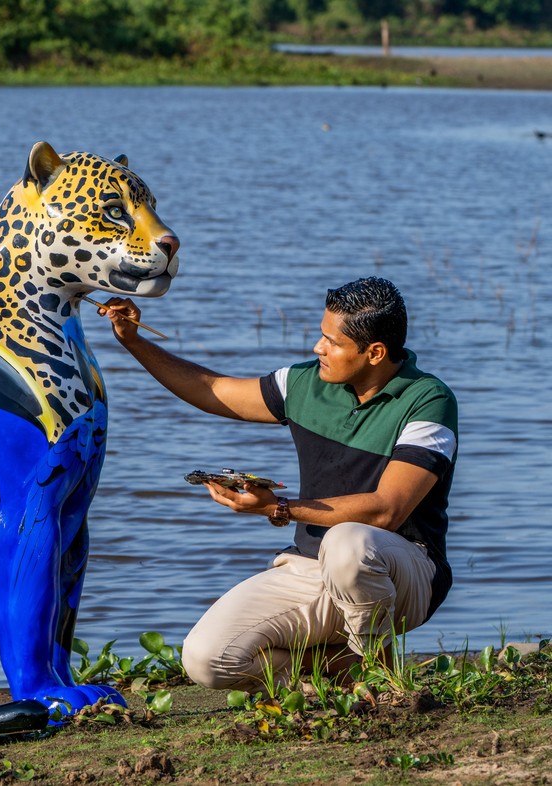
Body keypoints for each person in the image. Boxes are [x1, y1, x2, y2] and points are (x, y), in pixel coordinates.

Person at [99, 277, 457, 690]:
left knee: (348, 542)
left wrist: (277, 508)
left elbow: (386, 509)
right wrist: (133, 341)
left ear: (375, 352)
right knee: (206, 658)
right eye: (320, 336)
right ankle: (337, 670)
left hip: (402, 572)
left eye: (331, 342)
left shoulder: (428, 400)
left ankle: (381, 676)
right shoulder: (305, 383)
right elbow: (213, 390)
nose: (317, 348)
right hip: (312, 567)